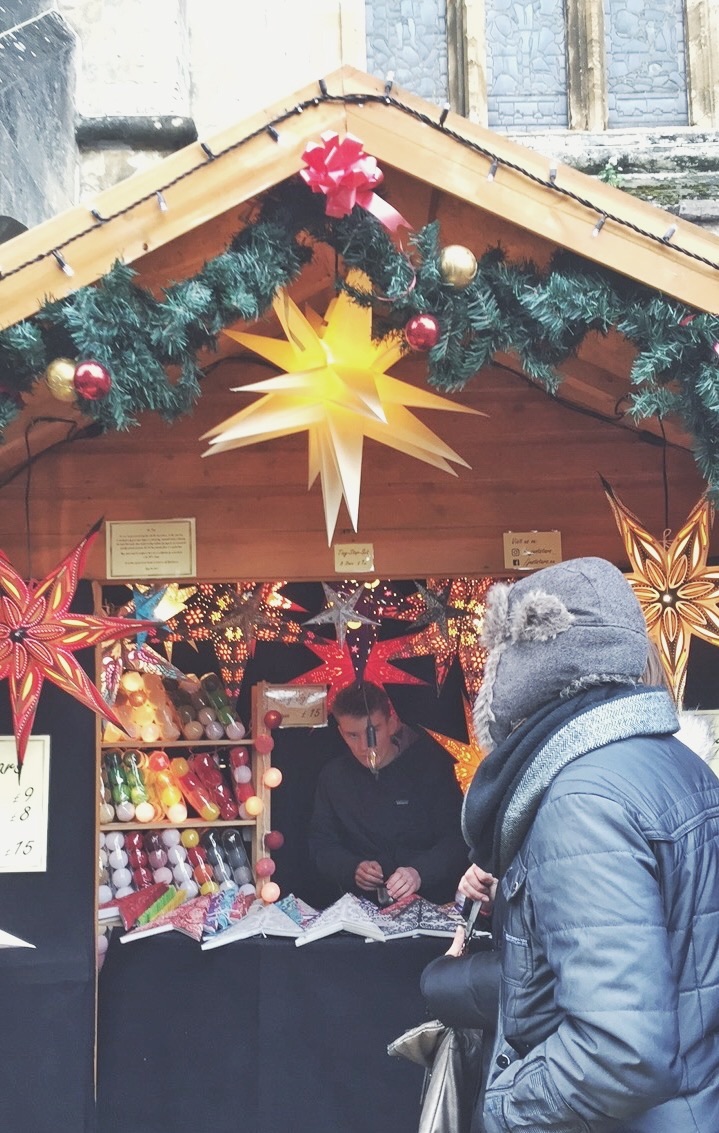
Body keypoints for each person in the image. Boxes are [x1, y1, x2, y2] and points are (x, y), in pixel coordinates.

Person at [421, 557, 719, 1132]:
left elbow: (618, 1054)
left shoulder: (580, 798)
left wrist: (504, 1107)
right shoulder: (679, 766)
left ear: (526, 667)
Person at [308, 680, 468, 905]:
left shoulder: (429, 768)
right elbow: (321, 845)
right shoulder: (333, 778)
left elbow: (457, 840)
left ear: (392, 724)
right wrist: (352, 868)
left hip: (432, 903)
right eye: (353, 735)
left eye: (373, 732)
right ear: (340, 733)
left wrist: (419, 872)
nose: (365, 746)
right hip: (361, 910)